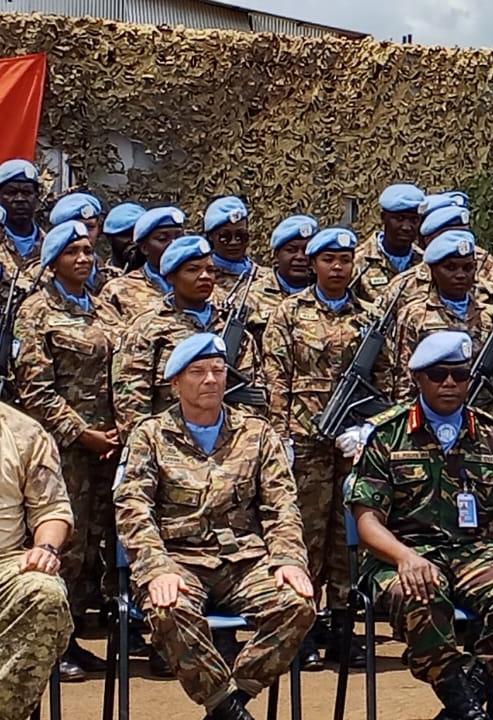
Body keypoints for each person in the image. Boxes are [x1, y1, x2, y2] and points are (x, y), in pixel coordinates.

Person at [348, 331, 493, 720]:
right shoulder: (385, 435)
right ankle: (465, 705)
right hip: (401, 553)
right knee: (423, 591)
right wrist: (405, 557)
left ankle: (466, 700)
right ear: (418, 379)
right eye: (439, 375)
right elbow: (367, 520)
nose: (451, 384)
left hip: (473, 552)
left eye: (460, 375)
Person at [115, 333, 315, 720]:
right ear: (175, 383)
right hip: (179, 560)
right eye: (198, 372)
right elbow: (133, 508)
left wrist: (289, 559)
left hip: (244, 560)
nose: (210, 379)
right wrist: (156, 567)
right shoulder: (150, 436)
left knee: (298, 605)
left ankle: (229, 703)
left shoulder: (256, 433)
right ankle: (227, 708)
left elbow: (282, 506)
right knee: (166, 610)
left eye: (218, 371)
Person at [12, 220, 124, 680]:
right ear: (53, 260)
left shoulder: (104, 309)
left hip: (108, 447)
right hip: (62, 450)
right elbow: (35, 390)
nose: (83, 258)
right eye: (72, 251)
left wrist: (118, 431)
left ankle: (71, 635)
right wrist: (82, 433)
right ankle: (50, 645)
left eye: (87, 251)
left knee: (94, 544)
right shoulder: (36, 312)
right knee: (66, 545)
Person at [262, 227, 371, 670]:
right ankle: (301, 630)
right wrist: (278, 436)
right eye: (329, 260)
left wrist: (369, 428)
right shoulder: (288, 314)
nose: (338, 267)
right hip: (303, 442)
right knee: (304, 536)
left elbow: (388, 380)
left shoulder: (369, 317)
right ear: (314, 263)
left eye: (345, 260)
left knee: (349, 539)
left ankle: (344, 629)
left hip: (351, 445)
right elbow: (275, 379)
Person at [112, 234, 261, 435]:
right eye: (193, 270)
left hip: (231, 443)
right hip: (169, 441)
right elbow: (131, 399)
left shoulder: (232, 328)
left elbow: (252, 391)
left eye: (210, 270)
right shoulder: (147, 329)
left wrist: (237, 437)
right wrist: (150, 443)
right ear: (171, 277)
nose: (205, 277)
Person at [376, 229, 493, 418]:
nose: (460, 275)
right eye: (450, 268)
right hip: (426, 419)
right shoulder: (415, 315)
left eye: (468, 268)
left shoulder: (491, 317)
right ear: (433, 271)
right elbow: (404, 379)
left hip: (482, 421)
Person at [0, 401, 74, 719]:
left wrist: (46, 548)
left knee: (45, 593)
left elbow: (52, 509)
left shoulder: (24, 433)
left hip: (4, 565)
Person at [99, 206, 186, 322]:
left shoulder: (204, 283)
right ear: (144, 248)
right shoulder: (118, 290)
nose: (174, 245)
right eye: (162, 239)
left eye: (179, 238)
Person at [351, 183, 427, 302]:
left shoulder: (425, 263)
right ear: (383, 217)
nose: (407, 227)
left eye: (414, 220)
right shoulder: (358, 261)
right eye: (399, 219)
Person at [247, 214, 318, 333]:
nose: (300, 257)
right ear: (276, 255)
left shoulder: (326, 294)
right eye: (291, 250)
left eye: (306, 251)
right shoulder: (251, 296)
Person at [48, 192, 108, 293]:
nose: (84, 234)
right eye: (75, 228)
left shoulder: (112, 276)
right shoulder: (42, 276)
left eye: (90, 227)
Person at [0, 158, 43, 288]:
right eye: (11, 193)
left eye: (27, 193)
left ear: (37, 196)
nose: (20, 199)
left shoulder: (53, 246)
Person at [204, 196, 257, 295]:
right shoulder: (203, 279)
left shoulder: (266, 277)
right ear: (211, 236)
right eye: (225, 237)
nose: (234, 242)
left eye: (240, 236)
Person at [100, 202, 146, 283]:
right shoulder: (99, 278)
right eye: (127, 235)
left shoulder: (165, 277)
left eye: (139, 234)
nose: (134, 240)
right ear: (109, 238)